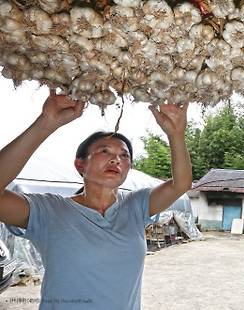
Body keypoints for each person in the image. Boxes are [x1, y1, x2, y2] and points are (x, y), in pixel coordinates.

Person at [0, 90, 192, 309]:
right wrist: (46, 123)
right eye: (104, 150)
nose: (116, 159)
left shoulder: (136, 206)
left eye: (124, 155)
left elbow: (181, 184)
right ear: (80, 165)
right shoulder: (49, 210)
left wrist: (176, 134)